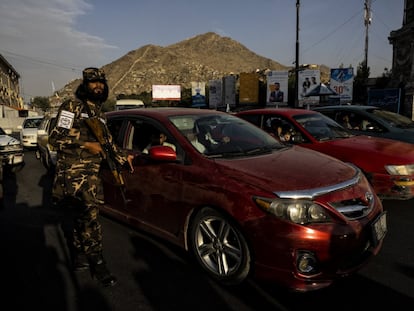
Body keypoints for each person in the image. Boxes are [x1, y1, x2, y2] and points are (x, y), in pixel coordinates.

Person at [49, 67, 134, 287]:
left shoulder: (100, 114)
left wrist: (124, 158)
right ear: (84, 86)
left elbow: (108, 145)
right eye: (93, 83)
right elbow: (55, 139)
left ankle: (79, 255)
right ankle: (98, 263)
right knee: (90, 218)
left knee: (82, 217)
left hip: (92, 175)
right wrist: (86, 144)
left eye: (101, 83)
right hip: (74, 173)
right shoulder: (72, 107)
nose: (98, 86)